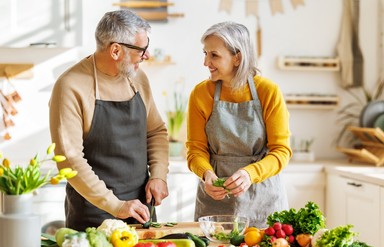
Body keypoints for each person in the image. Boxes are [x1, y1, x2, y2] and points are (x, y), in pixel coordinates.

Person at [49, 10, 169, 231]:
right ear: (115, 50)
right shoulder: (70, 86)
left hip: (141, 211)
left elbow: (156, 132)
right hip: (93, 218)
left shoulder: (138, 78)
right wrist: (116, 206)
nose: (147, 55)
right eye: (141, 49)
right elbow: (70, 160)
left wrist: (159, 175)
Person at [186, 21, 292, 229]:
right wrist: (206, 174)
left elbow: (281, 151)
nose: (206, 62)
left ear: (238, 57)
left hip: (264, 199)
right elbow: (195, 150)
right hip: (214, 201)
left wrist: (249, 174)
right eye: (205, 53)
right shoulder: (200, 94)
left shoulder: (268, 92)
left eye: (214, 55)